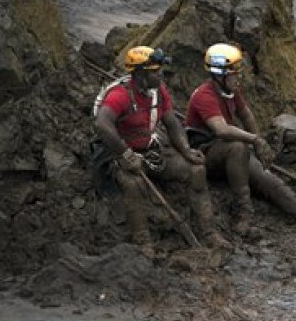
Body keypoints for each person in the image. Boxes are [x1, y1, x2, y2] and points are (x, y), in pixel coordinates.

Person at [94, 46, 231, 257]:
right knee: (134, 184)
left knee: (195, 170)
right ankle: (144, 242)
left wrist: (186, 150)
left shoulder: (159, 92)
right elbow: (103, 125)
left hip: (150, 149)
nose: (160, 74)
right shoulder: (120, 95)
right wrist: (125, 154)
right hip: (120, 152)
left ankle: (209, 233)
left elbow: (172, 124)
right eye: (155, 71)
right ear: (139, 73)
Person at [185, 43, 296, 235]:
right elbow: (221, 130)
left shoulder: (231, 91)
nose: (237, 76)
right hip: (205, 152)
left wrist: (259, 144)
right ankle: (243, 212)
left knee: (266, 178)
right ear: (220, 74)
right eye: (234, 73)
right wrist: (255, 140)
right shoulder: (204, 96)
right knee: (238, 148)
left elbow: (246, 115)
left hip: (227, 150)